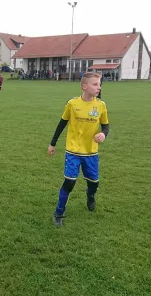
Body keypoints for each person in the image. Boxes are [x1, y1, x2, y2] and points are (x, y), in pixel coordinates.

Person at [47, 72, 109, 227]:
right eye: (95, 84)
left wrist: (103, 133)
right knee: (69, 182)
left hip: (91, 152)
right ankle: (59, 213)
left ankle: (90, 196)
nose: (98, 87)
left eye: (99, 84)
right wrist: (52, 143)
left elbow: (106, 125)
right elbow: (61, 124)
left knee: (94, 183)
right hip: (73, 151)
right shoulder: (72, 104)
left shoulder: (101, 105)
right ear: (84, 86)